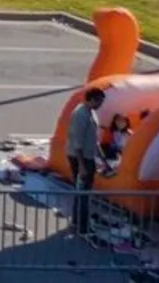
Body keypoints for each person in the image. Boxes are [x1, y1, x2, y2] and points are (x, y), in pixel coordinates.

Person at [67, 89, 111, 233]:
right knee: (83, 193)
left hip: (88, 156)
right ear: (92, 100)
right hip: (81, 158)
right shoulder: (80, 115)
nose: (100, 105)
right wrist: (81, 166)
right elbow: (77, 143)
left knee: (83, 191)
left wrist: (102, 158)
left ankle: (77, 221)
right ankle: (82, 225)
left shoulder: (91, 113)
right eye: (99, 102)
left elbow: (94, 139)